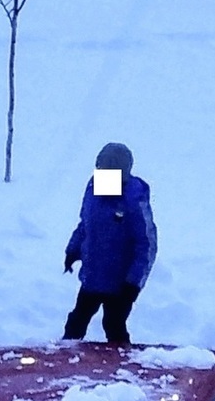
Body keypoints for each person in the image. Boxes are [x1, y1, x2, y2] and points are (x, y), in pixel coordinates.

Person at [63, 142, 157, 343]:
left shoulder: (133, 201)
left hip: (120, 285)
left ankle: (121, 364)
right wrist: (73, 250)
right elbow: (85, 224)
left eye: (109, 172)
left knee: (113, 325)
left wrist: (133, 284)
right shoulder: (93, 189)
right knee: (76, 322)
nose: (102, 176)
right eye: (100, 170)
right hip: (93, 277)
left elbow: (146, 245)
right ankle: (65, 360)